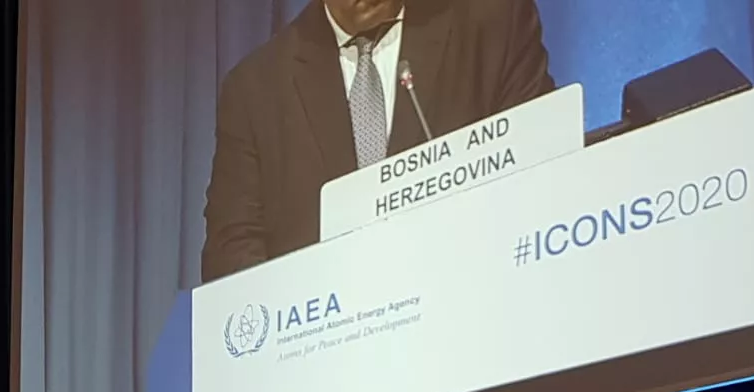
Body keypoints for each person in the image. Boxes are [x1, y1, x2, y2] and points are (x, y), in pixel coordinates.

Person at [201, 0, 554, 282]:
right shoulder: (255, 90)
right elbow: (232, 255)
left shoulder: (493, 23)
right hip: (325, 342)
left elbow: (543, 172)